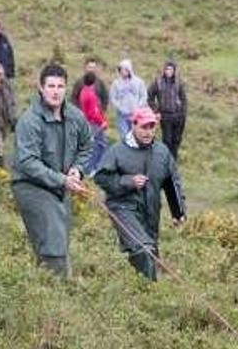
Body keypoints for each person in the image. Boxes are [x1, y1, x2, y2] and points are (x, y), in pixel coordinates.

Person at [12, 64, 92, 278]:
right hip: (31, 186)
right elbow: (28, 162)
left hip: (60, 185)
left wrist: (77, 170)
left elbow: (87, 145)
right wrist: (62, 179)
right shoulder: (29, 121)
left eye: (60, 86)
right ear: (41, 88)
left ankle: (49, 289)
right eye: (51, 86)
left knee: (60, 241)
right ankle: (56, 292)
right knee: (53, 238)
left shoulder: (75, 116)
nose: (56, 91)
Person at [94, 107, 186, 281]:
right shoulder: (117, 151)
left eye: (152, 127)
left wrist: (178, 212)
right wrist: (128, 181)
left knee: (150, 251)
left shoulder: (162, 152)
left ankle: (141, 294)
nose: (148, 132)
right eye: (144, 127)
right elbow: (101, 178)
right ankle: (149, 292)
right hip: (122, 207)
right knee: (143, 249)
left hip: (151, 210)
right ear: (133, 125)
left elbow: (172, 182)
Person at [148, 60, 188, 160]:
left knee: (176, 139)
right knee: (167, 140)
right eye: (167, 69)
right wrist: (156, 110)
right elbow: (150, 96)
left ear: (174, 71)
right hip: (165, 116)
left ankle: (173, 159)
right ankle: (166, 158)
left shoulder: (179, 82)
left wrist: (183, 112)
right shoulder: (158, 82)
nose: (168, 71)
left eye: (171, 69)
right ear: (164, 70)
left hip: (178, 115)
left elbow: (183, 98)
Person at [78, 71, 109, 176]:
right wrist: (102, 122)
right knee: (99, 146)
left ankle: (93, 168)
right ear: (94, 82)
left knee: (98, 145)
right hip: (94, 123)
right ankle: (92, 168)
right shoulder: (90, 94)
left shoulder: (83, 91)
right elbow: (94, 112)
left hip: (88, 122)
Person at [109, 58, 147, 140]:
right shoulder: (116, 83)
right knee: (124, 136)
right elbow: (112, 98)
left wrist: (138, 107)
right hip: (122, 115)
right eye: (121, 69)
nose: (123, 71)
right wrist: (120, 107)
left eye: (125, 69)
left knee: (135, 135)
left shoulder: (138, 82)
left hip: (135, 114)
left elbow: (143, 96)